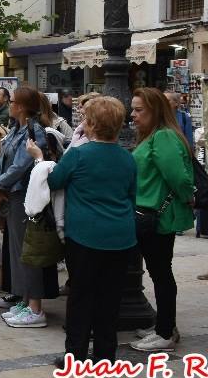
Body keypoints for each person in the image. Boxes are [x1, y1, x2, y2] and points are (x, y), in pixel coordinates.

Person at [39, 96, 136, 363]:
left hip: (85, 235)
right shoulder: (128, 158)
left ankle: (76, 353)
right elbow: (131, 195)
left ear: (91, 125)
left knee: (81, 295)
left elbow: (55, 180)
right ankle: (106, 354)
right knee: (110, 297)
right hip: (121, 236)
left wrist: (41, 161)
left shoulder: (80, 155)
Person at [128, 88, 196, 353]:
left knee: (161, 273)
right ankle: (165, 326)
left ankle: (165, 332)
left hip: (157, 216)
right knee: (159, 272)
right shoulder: (154, 135)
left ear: (155, 110)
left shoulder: (164, 136)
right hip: (149, 214)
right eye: (133, 109)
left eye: (139, 110)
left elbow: (178, 178)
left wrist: (187, 197)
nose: (133, 115)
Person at [0, 85, 51, 327]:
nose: (10, 104)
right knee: (17, 251)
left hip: (25, 197)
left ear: (22, 106)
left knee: (27, 252)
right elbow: (4, 160)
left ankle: (35, 309)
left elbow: (21, 166)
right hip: (14, 196)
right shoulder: (18, 129)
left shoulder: (34, 131)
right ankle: (26, 301)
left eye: (14, 101)